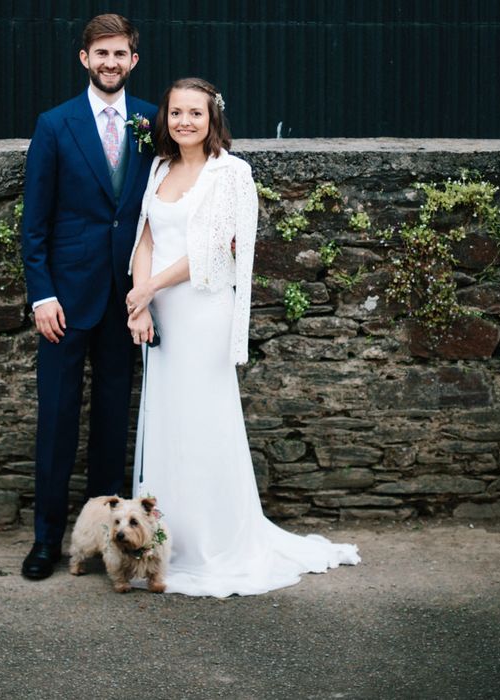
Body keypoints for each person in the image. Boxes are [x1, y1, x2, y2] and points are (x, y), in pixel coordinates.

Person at [126, 78, 361, 597]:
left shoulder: (232, 174)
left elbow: (212, 252)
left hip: (201, 310)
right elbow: (144, 234)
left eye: (195, 113)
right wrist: (140, 301)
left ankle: (214, 542)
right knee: (167, 420)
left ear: (213, 119)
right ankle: (168, 542)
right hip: (158, 310)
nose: (185, 121)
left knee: (203, 421)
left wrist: (146, 292)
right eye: (176, 112)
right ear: (165, 119)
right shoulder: (159, 168)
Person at [20, 14, 157, 580]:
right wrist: (42, 294)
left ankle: (107, 542)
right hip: (65, 303)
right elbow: (34, 223)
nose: (110, 62)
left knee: (109, 425)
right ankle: (47, 541)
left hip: (126, 301)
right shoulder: (55, 125)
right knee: (56, 421)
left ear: (133, 60)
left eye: (120, 54)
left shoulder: (152, 119)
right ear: (85, 59)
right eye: (101, 53)